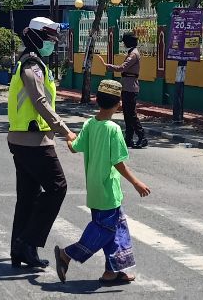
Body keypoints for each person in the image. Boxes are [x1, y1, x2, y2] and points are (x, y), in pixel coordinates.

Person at [54, 79, 151, 285]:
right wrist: (136, 183)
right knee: (105, 230)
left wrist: (68, 137)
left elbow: (74, 147)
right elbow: (119, 163)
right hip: (108, 191)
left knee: (116, 230)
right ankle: (68, 254)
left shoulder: (90, 123)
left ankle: (113, 270)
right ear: (119, 104)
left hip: (95, 189)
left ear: (97, 100)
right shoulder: (113, 129)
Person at [8, 16, 77, 269]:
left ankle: (21, 251)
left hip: (23, 139)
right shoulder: (31, 64)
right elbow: (39, 101)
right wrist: (65, 130)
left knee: (28, 196)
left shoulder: (32, 62)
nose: (53, 42)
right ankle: (26, 242)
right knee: (58, 187)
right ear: (37, 37)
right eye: (49, 37)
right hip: (34, 140)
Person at [98, 32, 147, 148]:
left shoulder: (133, 55)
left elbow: (122, 68)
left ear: (128, 42)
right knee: (127, 114)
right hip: (127, 86)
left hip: (130, 87)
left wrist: (107, 65)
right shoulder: (132, 53)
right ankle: (128, 138)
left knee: (131, 114)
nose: (123, 44)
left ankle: (142, 137)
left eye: (124, 41)